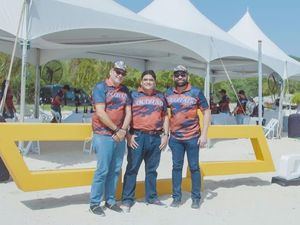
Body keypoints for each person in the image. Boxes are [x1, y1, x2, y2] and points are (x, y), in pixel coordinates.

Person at [121, 70, 169, 212]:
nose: (148, 82)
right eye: (146, 79)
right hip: (137, 136)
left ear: (155, 82)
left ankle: (151, 197)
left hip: (155, 137)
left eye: (151, 80)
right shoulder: (133, 95)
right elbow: (126, 115)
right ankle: (127, 200)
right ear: (141, 82)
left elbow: (165, 116)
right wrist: (128, 135)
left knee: (152, 170)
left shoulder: (161, 96)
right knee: (132, 169)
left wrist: (166, 135)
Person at [165, 65, 211, 209]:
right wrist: (166, 134)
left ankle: (196, 198)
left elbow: (207, 111)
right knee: (176, 167)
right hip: (176, 139)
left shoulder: (196, 92)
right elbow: (165, 115)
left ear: (187, 77)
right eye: (177, 75)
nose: (180, 77)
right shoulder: (167, 94)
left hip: (193, 137)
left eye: (183, 75)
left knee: (194, 167)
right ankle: (176, 198)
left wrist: (204, 134)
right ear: (173, 77)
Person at [89, 61, 131, 216]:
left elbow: (128, 112)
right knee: (103, 169)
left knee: (115, 169)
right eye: (117, 71)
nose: (120, 75)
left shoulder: (125, 90)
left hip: (119, 135)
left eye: (122, 73)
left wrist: (123, 130)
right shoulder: (100, 88)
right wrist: (117, 130)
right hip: (103, 134)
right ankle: (94, 203)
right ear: (111, 71)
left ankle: (110, 200)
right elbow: (100, 113)